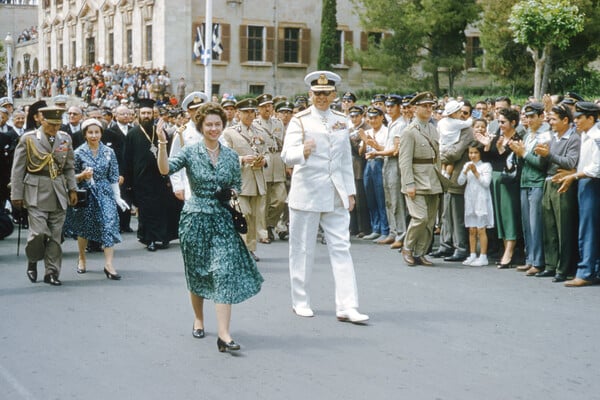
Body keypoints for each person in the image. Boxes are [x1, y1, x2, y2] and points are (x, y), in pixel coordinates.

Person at [156, 102, 263, 352]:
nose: (214, 128)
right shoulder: (190, 151)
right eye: (209, 125)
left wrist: (231, 190)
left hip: (222, 220)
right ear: (201, 126)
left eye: (218, 124)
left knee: (223, 271)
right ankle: (199, 318)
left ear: (222, 126)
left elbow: (237, 182)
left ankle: (224, 334)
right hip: (195, 219)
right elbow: (165, 169)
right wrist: (162, 143)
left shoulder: (230, 155)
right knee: (198, 272)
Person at [281, 70, 368, 323]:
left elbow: (343, 160)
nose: (321, 98)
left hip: (335, 193)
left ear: (334, 95)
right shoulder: (300, 120)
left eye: (326, 93)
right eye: (317, 94)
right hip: (307, 192)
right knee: (302, 249)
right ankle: (300, 300)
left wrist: (350, 192)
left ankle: (348, 306)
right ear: (310, 95)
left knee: (342, 248)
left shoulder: (341, 120)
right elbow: (286, 155)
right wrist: (302, 151)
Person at [10, 107, 78, 286]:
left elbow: (69, 166)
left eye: (58, 125)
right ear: (41, 120)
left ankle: (52, 272)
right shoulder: (29, 139)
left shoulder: (65, 138)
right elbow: (18, 169)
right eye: (51, 125)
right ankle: (33, 259)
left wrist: (73, 189)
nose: (54, 128)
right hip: (36, 190)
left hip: (59, 190)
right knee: (39, 233)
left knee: (55, 236)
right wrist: (16, 194)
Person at [63, 119, 129, 279]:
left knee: (109, 223)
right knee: (84, 227)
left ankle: (109, 264)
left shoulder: (108, 152)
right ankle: (82, 257)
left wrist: (118, 197)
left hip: (105, 192)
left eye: (97, 132)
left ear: (101, 133)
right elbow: (70, 177)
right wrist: (82, 176)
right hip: (86, 194)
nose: (94, 135)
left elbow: (113, 176)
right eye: (90, 132)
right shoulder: (78, 152)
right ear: (85, 134)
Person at [124, 98, 181, 251]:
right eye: (143, 113)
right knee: (147, 211)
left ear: (153, 114)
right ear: (138, 114)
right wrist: (128, 183)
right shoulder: (132, 134)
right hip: (141, 180)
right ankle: (149, 239)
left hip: (160, 178)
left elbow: (170, 155)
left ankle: (163, 237)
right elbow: (127, 159)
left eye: (149, 113)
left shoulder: (160, 132)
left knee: (162, 208)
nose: (146, 116)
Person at [534, 104, 579, 282]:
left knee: (564, 228)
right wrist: (541, 153)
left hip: (563, 183)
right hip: (548, 182)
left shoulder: (573, 138)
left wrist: (549, 154)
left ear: (565, 120)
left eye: (553, 119)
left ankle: (564, 267)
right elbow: (543, 164)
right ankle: (550, 264)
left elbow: (570, 162)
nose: (550, 122)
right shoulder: (551, 137)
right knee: (549, 226)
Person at [397, 92, 443, 267]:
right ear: (415, 109)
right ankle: (407, 248)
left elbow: (436, 156)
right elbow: (405, 160)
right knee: (420, 218)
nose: (429, 109)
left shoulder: (433, 129)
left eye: (431, 106)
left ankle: (420, 253)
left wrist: (439, 178)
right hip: (416, 179)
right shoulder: (409, 131)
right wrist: (409, 183)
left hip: (432, 178)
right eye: (425, 106)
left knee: (430, 221)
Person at [558, 102, 600, 287]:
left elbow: (596, 168)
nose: (576, 121)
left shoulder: (596, 136)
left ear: (591, 118)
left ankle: (586, 271)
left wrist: (574, 176)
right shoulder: (585, 135)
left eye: (579, 117)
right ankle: (593, 268)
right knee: (588, 227)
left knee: (588, 228)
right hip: (584, 181)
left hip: (592, 182)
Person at [221, 98, 269, 262]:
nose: (249, 115)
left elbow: (267, 151)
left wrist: (265, 161)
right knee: (244, 214)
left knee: (255, 217)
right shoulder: (230, 132)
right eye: (246, 112)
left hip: (257, 180)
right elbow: (225, 156)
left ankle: (250, 249)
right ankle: (240, 248)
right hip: (240, 181)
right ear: (238, 113)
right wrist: (242, 159)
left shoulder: (260, 131)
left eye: (252, 111)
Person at [509, 102, 550, 276]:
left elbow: (541, 164)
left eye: (533, 116)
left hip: (537, 182)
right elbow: (522, 159)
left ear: (542, 116)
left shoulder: (545, 136)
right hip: (525, 181)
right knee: (526, 223)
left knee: (535, 224)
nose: (529, 120)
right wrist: (517, 155)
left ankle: (538, 261)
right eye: (527, 116)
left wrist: (523, 153)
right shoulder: (527, 135)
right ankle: (530, 258)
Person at [482, 108, 523, 269]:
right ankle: (505, 248)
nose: (500, 125)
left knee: (509, 215)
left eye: (503, 122)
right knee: (500, 216)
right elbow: (487, 159)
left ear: (513, 123)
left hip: (509, 182)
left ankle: (510, 251)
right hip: (495, 180)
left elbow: (513, 162)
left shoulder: (517, 139)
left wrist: (500, 149)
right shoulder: (498, 137)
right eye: (499, 122)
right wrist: (487, 146)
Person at [458, 142, 494, 266]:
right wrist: (464, 172)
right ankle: (472, 254)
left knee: (481, 229)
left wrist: (476, 172)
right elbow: (460, 182)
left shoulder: (486, 166)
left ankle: (483, 256)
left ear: (481, 154)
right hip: (470, 197)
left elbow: (486, 183)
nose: (473, 155)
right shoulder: (467, 164)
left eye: (476, 153)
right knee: (472, 229)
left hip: (481, 198)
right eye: (471, 153)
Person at [359, 106, 390, 243]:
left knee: (381, 198)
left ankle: (385, 229)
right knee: (370, 198)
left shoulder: (386, 131)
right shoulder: (367, 131)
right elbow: (361, 152)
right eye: (370, 118)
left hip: (380, 162)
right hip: (368, 163)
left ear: (382, 117)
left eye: (375, 117)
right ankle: (375, 228)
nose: (373, 120)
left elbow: (389, 149)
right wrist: (366, 142)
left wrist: (376, 145)